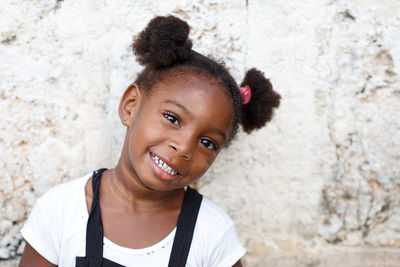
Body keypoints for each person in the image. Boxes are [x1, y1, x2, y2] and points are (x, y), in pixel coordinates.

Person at [19, 15, 281, 267]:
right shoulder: (61, 210)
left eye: (207, 142)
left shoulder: (212, 234)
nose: (184, 147)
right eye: (172, 118)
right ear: (131, 106)